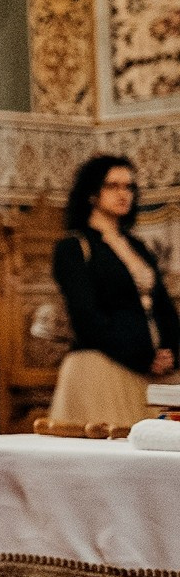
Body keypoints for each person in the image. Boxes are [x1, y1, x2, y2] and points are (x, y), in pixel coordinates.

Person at [49, 155, 180, 426]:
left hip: (151, 372)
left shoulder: (138, 246)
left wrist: (171, 351)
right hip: (100, 368)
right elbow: (86, 317)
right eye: (113, 186)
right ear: (92, 193)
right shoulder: (73, 247)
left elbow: (163, 307)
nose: (124, 194)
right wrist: (142, 356)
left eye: (129, 187)